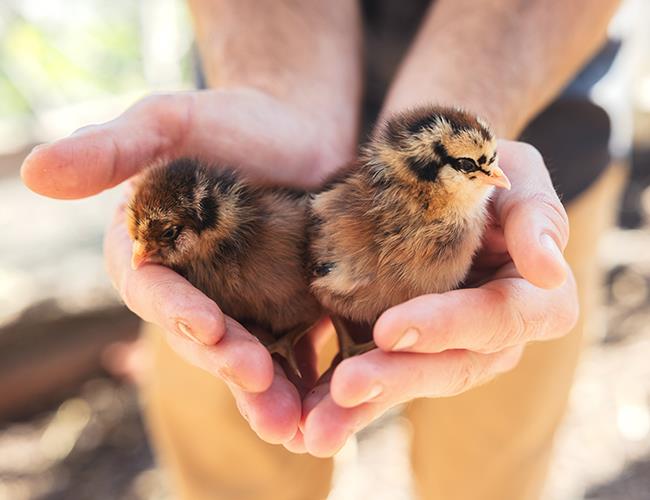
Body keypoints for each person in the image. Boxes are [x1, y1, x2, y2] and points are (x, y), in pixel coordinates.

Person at [21, 1, 625, 498]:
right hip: (249, 128)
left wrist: (470, 123)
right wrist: (279, 84)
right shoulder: (246, 221)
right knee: (236, 472)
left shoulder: (473, 201)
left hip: (544, 132)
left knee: (489, 471)